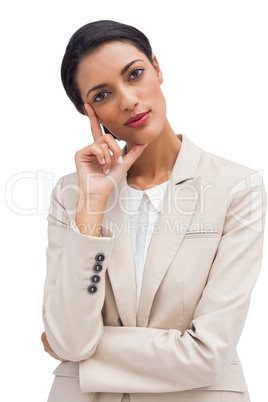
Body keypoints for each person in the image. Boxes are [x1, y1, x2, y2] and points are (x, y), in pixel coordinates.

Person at [41, 20, 266, 402]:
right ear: (88, 112)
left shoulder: (237, 187)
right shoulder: (71, 193)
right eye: (102, 95)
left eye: (135, 74)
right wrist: (93, 206)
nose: (127, 100)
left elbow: (208, 355)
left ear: (158, 69)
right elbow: (68, 336)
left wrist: (84, 354)